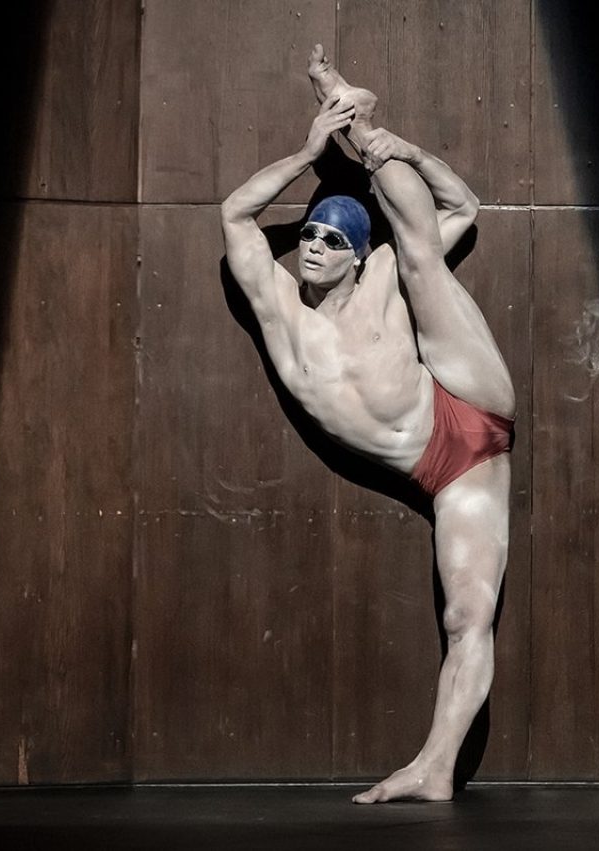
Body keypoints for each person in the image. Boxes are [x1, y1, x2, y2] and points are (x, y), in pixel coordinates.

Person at [220, 44, 516, 804]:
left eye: (333, 240)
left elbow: (462, 208)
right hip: (450, 469)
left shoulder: (380, 273)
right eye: (310, 236)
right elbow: (236, 213)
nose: (315, 248)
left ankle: (364, 122)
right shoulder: (279, 306)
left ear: (354, 255)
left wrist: (399, 149)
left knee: (419, 257)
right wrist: (307, 153)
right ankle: (435, 769)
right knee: (467, 613)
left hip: (465, 392)